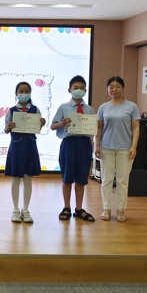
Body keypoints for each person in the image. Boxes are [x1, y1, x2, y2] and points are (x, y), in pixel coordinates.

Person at [95, 76, 140, 223]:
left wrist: (134, 146)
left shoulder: (131, 106)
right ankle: (106, 209)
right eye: (111, 87)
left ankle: (121, 209)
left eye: (117, 86)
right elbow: (99, 128)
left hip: (125, 149)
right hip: (106, 147)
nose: (114, 89)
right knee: (106, 180)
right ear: (107, 89)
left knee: (122, 181)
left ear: (123, 88)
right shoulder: (103, 107)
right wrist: (96, 145)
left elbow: (136, 127)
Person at [51, 75, 95, 222]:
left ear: (86, 91)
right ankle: (66, 207)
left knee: (81, 178)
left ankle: (79, 208)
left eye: (82, 88)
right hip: (68, 144)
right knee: (67, 177)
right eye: (75, 88)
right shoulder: (63, 107)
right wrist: (62, 124)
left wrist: (96, 125)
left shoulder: (89, 109)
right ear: (69, 90)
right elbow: (53, 126)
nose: (79, 90)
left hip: (84, 144)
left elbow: (92, 128)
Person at [4, 81, 45, 223]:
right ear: (16, 93)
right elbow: (6, 129)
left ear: (30, 93)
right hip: (16, 147)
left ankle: (25, 210)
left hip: (30, 146)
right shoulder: (11, 110)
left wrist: (41, 123)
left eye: (26, 91)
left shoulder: (35, 110)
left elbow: (38, 128)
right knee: (16, 178)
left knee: (28, 178)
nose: (24, 94)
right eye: (21, 91)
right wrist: (9, 127)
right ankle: (15, 210)